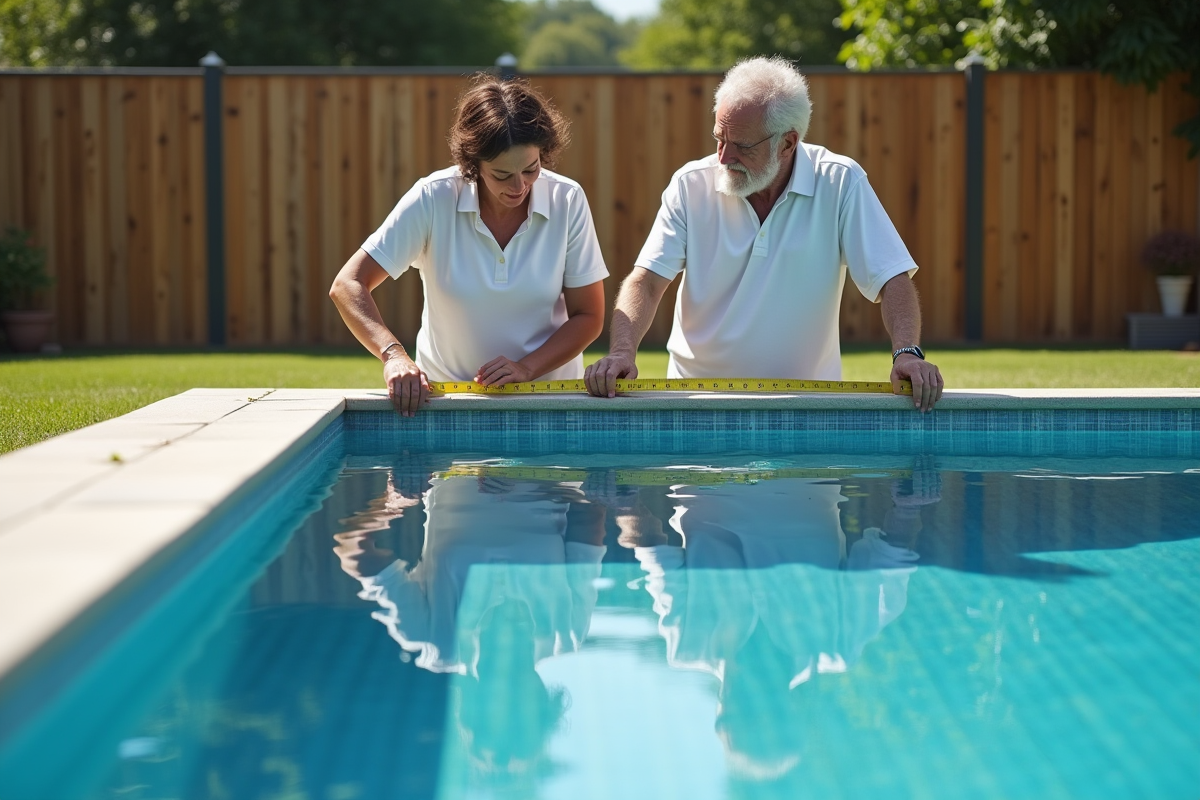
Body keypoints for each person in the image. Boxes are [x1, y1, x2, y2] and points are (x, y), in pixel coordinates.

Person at [584, 56, 944, 412]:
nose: (724, 157)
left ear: (788, 143)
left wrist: (907, 353)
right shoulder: (690, 184)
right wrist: (621, 352)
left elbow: (891, 277)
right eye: (718, 139)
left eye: (742, 145)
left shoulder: (840, 181)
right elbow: (646, 281)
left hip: (807, 408)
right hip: (694, 403)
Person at [330, 75, 609, 417]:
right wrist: (393, 355)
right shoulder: (433, 197)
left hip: (549, 405)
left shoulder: (568, 199)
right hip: (446, 407)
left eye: (531, 168)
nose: (519, 186)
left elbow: (589, 316)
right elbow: (347, 285)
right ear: (472, 165)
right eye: (502, 175)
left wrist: (526, 369)